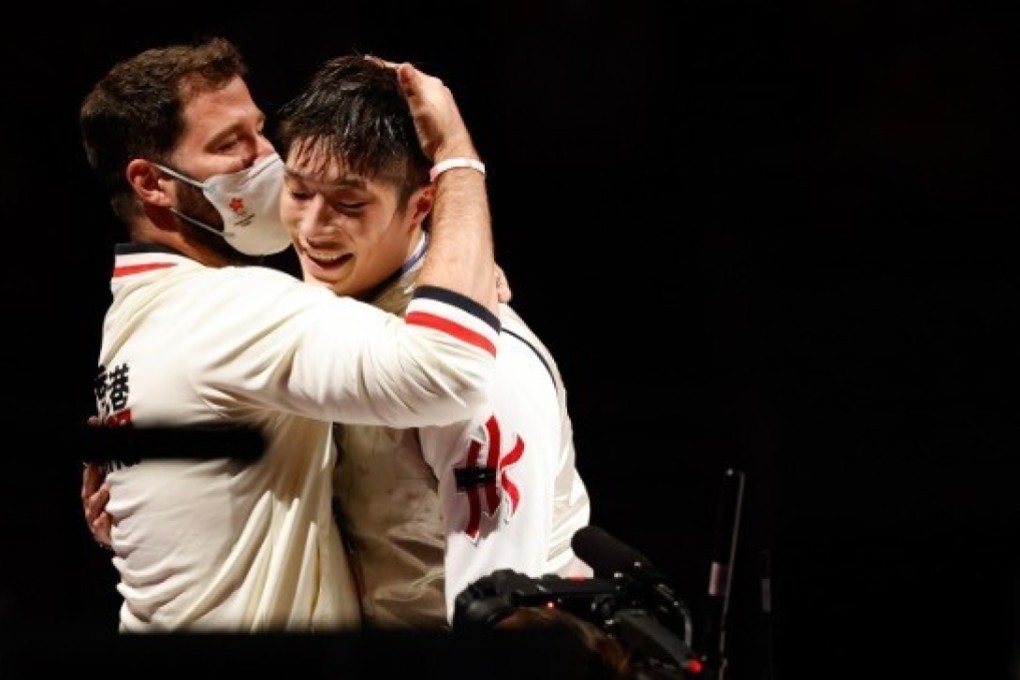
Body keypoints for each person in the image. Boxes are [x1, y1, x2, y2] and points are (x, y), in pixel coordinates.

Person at [83, 53, 592, 629]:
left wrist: (458, 171)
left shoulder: (490, 367)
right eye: (298, 194)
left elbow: (505, 618)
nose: (313, 228)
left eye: (350, 204)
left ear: (423, 205)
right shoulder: (258, 311)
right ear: (150, 183)